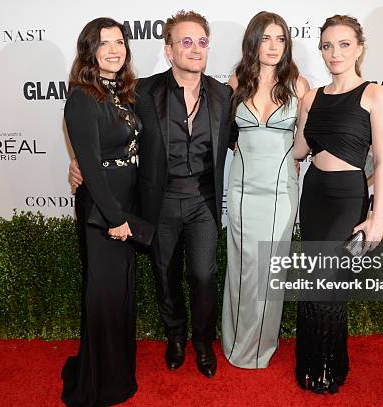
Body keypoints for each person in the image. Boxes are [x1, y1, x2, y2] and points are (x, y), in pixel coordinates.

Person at [69, 10, 235, 378]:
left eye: (202, 42)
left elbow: (247, 139)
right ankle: (175, 337)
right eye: (185, 42)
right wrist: (80, 162)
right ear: (169, 49)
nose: (195, 49)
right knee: (165, 274)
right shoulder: (142, 92)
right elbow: (109, 129)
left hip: (204, 201)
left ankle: (203, 343)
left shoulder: (225, 96)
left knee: (204, 276)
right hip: (159, 202)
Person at [292, 14, 383, 393]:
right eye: (327, 46)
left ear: (360, 48)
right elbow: (300, 150)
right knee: (312, 278)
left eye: (344, 44)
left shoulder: (375, 94)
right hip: (314, 192)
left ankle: (329, 366)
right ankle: (310, 364)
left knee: (328, 281)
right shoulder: (310, 97)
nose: (334, 53)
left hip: (348, 196)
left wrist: (377, 215)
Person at [222, 11, 309, 369]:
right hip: (242, 189)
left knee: (270, 269)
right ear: (253, 42)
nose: (273, 47)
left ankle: (261, 346)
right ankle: (234, 343)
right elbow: (223, 137)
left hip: (279, 193)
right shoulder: (235, 82)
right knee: (241, 266)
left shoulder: (299, 86)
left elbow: (303, 145)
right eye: (266, 38)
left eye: (281, 39)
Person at [60, 18, 140, 406]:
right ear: (88, 51)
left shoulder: (123, 92)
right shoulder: (81, 97)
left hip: (125, 206)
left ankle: (118, 371)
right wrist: (116, 219)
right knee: (104, 293)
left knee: (120, 292)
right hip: (103, 210)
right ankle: (100, 382)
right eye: (104, 43)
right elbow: (89, 166)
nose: (114, 49)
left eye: (119, 42)